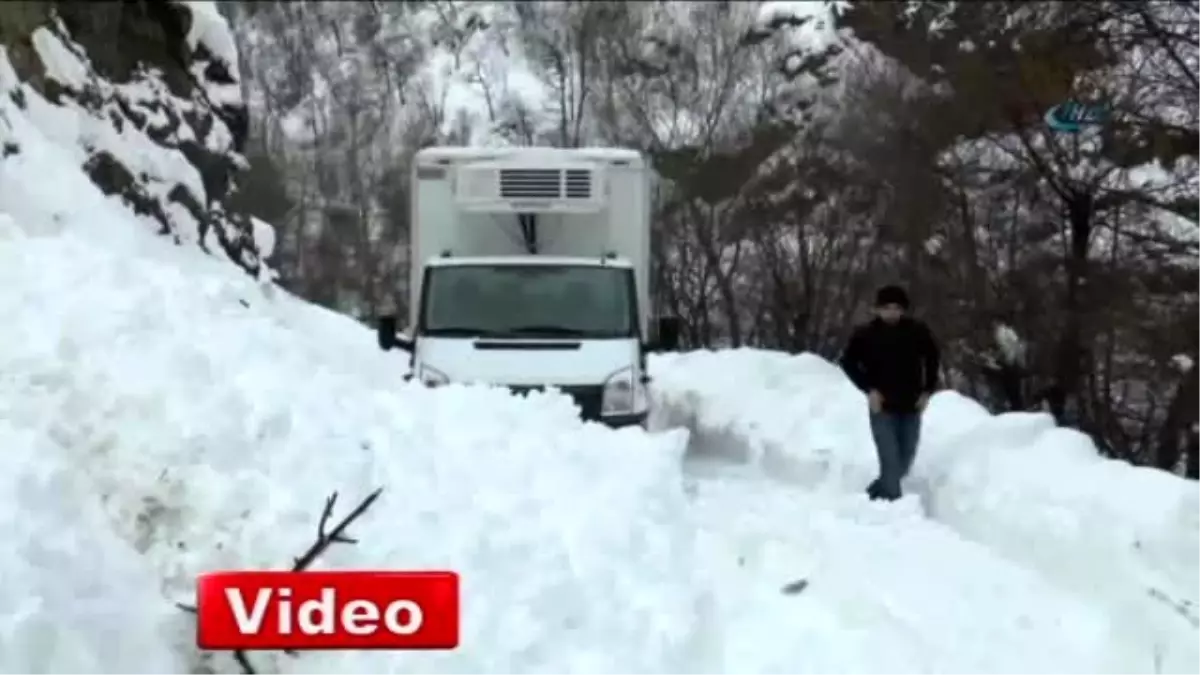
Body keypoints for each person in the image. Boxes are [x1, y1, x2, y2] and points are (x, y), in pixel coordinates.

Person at [839, 285, 940, 501]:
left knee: (904, 463)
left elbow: (932, 358)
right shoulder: (865, 335)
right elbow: (847, 362)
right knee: (890, 463)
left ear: (903, 310)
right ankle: (895, 515)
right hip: (882, 406)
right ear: (877, 309)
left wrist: (927, 391)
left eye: (896, 308)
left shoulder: (917, 331)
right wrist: (869, 390)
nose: (892, 312)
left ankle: (873, 496)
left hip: (911, 406)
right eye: (886, 308)